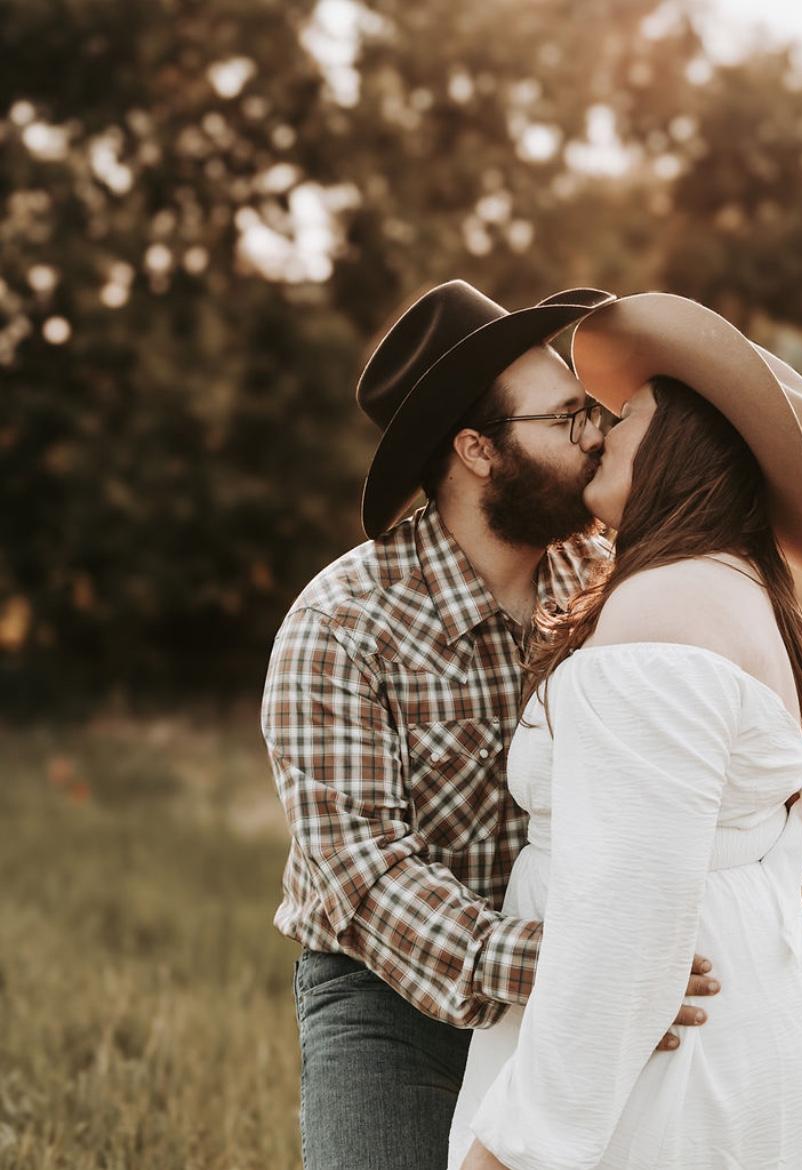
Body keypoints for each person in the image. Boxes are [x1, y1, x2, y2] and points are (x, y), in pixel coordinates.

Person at [260, 280, 722, 1170]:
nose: (597, 434)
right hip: (391, 996)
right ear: (478, 449)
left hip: (579, 957)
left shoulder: (607, 579)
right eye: (567, 417)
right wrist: (570, 967)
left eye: (592, 412)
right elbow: (363, 875)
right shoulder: (342, 626)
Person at [450, 292, 802, 1170]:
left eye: (626, 416)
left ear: (679, 446)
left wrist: (508, 1153)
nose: (599, 434)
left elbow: (624, 926)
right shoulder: (733, 585)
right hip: (743, 1021)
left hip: (671, 1067)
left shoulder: (661, 612)